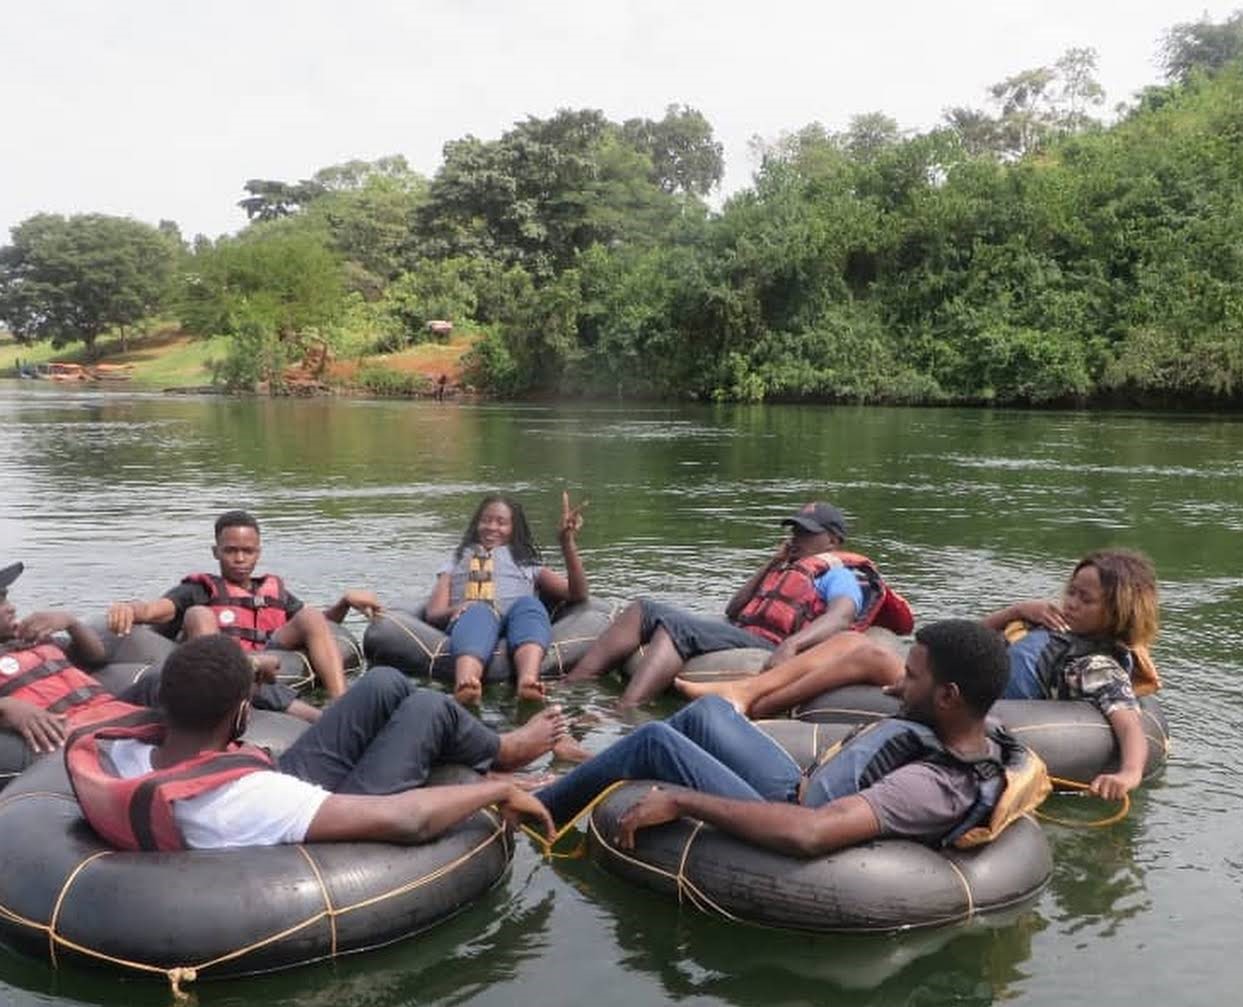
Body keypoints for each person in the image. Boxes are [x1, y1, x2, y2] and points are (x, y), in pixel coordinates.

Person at [537, 620, 1048, 855]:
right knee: (709, 712)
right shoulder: (973, 726)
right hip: (807, 784)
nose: (897, 684)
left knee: (656, 741)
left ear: (949, 696)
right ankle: (597, 765)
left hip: (796, 811)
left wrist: (680, 798)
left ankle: (541, 810)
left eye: (912, 678)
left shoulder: (930, 786)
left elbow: (809, 834)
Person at [681, 549, 1158, 801]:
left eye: (1085, 599)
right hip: (958, 680)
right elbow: (970, 638)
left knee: (862, 652)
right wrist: (1016, 609)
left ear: (1117, 611)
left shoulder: (1092, 663)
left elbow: (1126, 717)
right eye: (1071, 591)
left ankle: (747, 702)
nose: (1070, 603)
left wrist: (1129, 772)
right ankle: (748, 698)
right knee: (853, 646)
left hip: (969, 704)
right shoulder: (1048, 625)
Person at [65, 634, 565, 851]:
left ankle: (491, 749)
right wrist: (496, 792)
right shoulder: (248, 801)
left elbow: (181, 684)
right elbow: (408, 822)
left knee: (385, 682)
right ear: (242, 711)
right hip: (297, 807)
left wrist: (248, 672)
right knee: (428, 707)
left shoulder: (120, 747)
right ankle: (501, 755)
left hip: (235, 772)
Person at [565, 502, 911, 707]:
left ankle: (628, 707)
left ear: (833, 540)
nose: (797, 539)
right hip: (743, 630)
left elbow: (841, 617)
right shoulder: (787, 564)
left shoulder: (838, 574)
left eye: (806, 533)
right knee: (643, 608)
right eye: (795, 532)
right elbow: (735, 609)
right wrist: (772, 563)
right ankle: (574, 684)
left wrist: (792, 644)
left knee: (677, 627)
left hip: (771, 643)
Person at [344, 492, 588, 707]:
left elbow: (577, 594)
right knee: (479, 611)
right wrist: (459, 607)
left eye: (501, 522)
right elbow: (433, 614)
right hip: (473, 622)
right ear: (476, 524)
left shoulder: (528, 565)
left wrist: (566, 542)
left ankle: (528, 681)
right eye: (486, 520)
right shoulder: (454, 564)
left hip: (517, 623)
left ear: (514, 529)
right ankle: (466, 684)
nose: (492, 527)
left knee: (531, 606)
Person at [106, 510, 371, 703]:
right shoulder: (198, 590)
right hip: (222, 666)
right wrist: (129, 609)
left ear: (259, 552)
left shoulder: (273, 591)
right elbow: (154, 610)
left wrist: (344, 603)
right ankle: (225, 691)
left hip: (271, 656)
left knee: (311, 615)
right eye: (231, 550)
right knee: (199, 614)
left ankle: (341, 702)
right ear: (216, 552)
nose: (240, 558)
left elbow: (320, 628)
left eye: (248, 551)